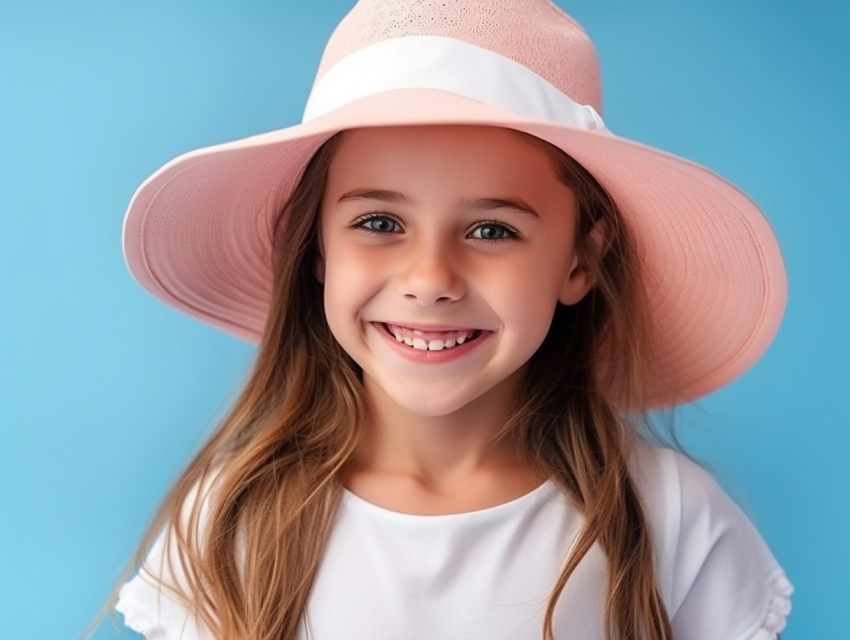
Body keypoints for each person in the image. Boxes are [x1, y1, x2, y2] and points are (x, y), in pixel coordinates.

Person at [111, 1, 792, 638]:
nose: (430, 280)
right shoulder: (226, 521)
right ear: (317, 245)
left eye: (492, 231)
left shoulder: (673, 521)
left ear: (580, 262)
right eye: (379, 223)